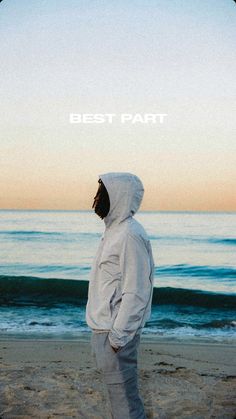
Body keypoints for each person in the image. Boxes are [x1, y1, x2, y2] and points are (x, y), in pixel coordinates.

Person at [86, 172, 155, 419]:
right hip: (105, 332)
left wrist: (117, 338)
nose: (96, 199)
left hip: (115, 336)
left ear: (119, 197)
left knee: (126, 406)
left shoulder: (128, 234)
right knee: (118, 403)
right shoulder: (113, 231)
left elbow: (136, 291)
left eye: (103, 193)